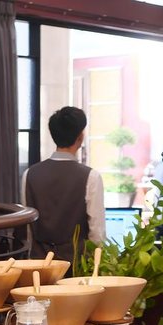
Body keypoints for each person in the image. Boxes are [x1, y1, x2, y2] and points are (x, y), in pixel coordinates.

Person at [21, 106, 105, 264]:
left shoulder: (29, 174)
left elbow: (28, 230)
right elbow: (97, 235)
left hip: (40, 265)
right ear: (80, 137)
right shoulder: (91, 177)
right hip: (76, 267)